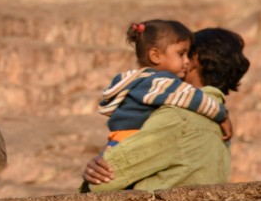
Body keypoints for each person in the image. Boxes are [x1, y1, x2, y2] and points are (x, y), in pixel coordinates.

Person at [81, 27, 250, 192]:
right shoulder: (220, 129)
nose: (182, 61)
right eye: (179, 54)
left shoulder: (179, 116)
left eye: (184, 54)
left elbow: (102, 182)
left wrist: (94, 171)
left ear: (195, 60)